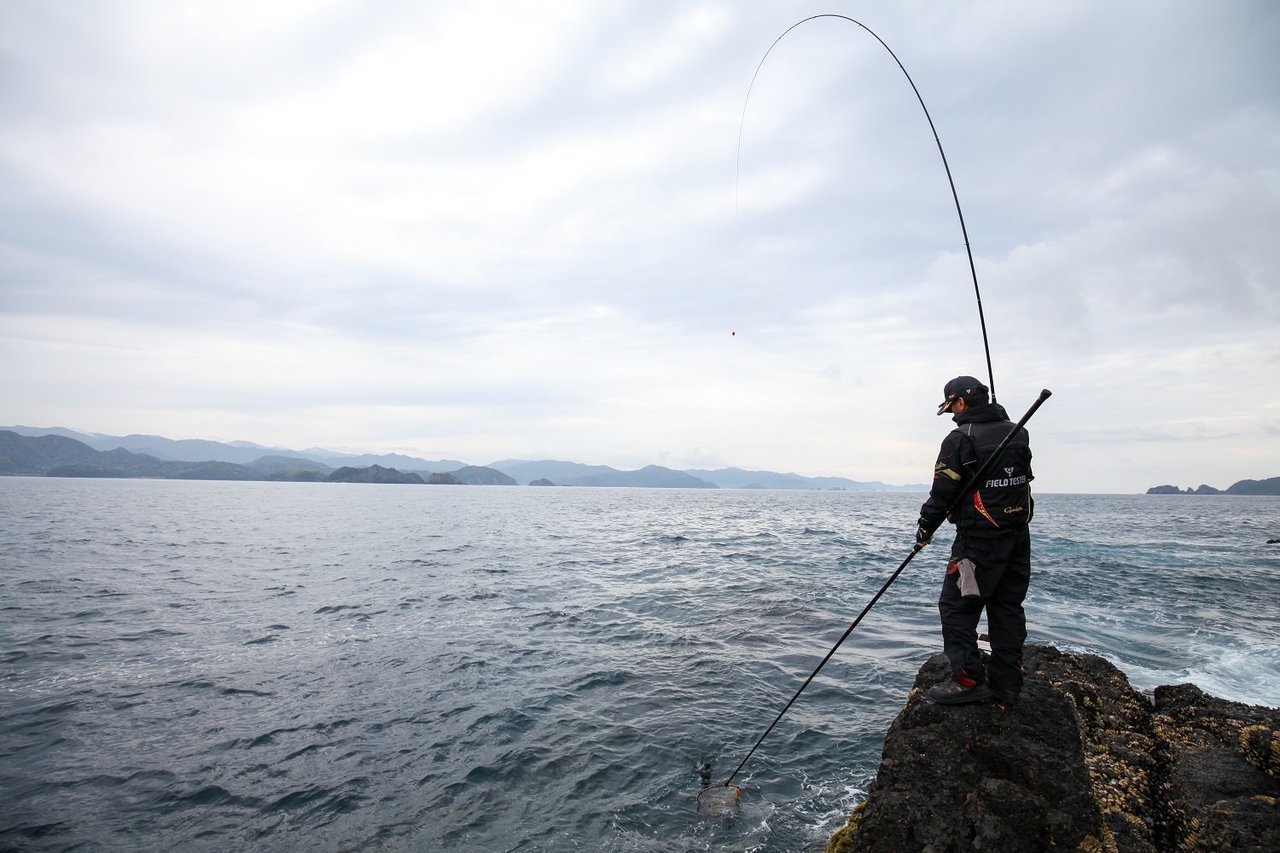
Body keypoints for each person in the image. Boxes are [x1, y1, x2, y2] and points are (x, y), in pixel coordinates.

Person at [915, 376, 1034, 707]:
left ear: (961, 402)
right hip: (1017, 538)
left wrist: (925, 529)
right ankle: (1007, 685)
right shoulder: (1018, 433)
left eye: (952, 406)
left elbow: (942, 493)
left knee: (955, 609)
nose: (952, 413)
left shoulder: (958, 440)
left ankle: (968, 682)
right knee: (1007, 608)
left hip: (977, 544)